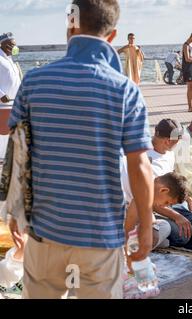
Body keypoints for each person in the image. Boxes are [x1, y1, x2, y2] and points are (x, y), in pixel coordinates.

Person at [8, 0, 154, 299]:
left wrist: (14, 210)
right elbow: (140, 165)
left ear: (70, 24)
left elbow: (17, 153)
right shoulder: (125, 90)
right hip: (100, 234)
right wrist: (146, 224)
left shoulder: (34, 81)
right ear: (112, 36)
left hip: (44, 230)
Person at [121, 119, 192, 247]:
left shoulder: (169, 154)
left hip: (168, 202)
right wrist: (175, 217)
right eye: (178, 141)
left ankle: (158, 237)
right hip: (151, 206)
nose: (179, 144)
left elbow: (172, 180)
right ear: (168, 141)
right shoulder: (142, 157)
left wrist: (188, 198)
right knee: (180, 236)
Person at [0, 32, 21, 160]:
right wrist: (1, 94)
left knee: (10, 131)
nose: (14, 47)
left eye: (15, 45)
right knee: (2, 130)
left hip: (14, 103)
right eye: (12, 45)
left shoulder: (10, 60)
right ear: (2, 44)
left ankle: (7, 157)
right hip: (2, 104)